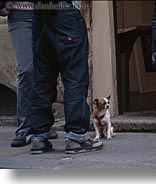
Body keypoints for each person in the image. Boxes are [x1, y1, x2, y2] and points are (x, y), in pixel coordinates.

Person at [30, 1, 103, 154]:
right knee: (75, 77)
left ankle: (39, 136)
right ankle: (77, 136)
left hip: (39, 12)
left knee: (42, 79)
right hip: (65, 12)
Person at [0, 1, 58, 147]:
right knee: (27, 69)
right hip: (20, 14)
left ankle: (43, 125)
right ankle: (25, 127)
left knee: (47, 69)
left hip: (48, 11)